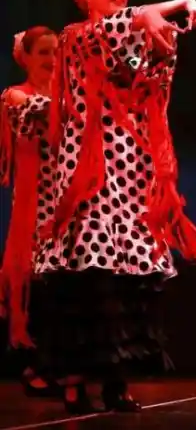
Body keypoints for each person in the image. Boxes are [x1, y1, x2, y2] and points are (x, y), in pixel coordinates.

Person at [32, 0, 196, 413]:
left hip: (128, 170)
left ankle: (114, 380)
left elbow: (140, 69)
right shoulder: (75, 37)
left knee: (126, 278)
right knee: (90, 277)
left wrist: (159, 47)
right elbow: (116, 30)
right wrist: (170, 5)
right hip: (88, 172)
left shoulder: (126, 38)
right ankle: (74, 379)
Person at [0, 27, 61, 397]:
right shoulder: (15, 96)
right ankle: (35, 364)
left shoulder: (67, 96)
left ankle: (58, 363)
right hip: (35, 202)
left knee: (63, 283)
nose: (52, 60)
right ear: (26, 56)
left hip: (66, 197)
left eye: (56, 53)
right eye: (43, 53)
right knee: (39, 281)